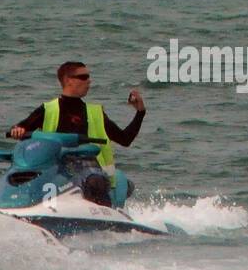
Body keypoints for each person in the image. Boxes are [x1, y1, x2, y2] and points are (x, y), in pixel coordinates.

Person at [8, 61, 145, 204]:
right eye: (84, 77)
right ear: (68, 80)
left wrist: (140, 113)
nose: (89, 81)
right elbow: (20, 128)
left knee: (95, 182)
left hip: (89, 170)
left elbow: (125, 139)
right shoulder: (48, 109)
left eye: (89, 77)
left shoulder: (95, 112)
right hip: (55, 167)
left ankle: (104, 219)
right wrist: (17, 131)